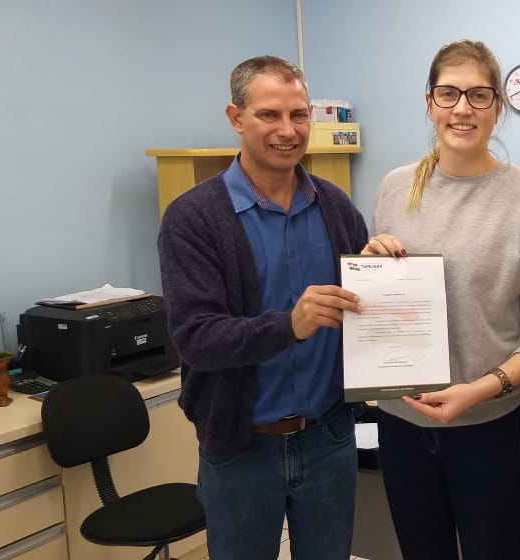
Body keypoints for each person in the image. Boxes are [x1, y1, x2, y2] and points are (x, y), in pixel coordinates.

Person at [362, 40, 520, 560]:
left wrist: (484, 389)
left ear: (497, 106)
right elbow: (384, 303)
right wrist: (371, 270)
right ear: (429, 102)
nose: (462, 108)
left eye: (479, 95)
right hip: (401, 428)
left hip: (489, 430)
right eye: (448, 93)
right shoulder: (395, 188)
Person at [157, 55, 369, 560]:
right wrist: (289, 325)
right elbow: (197, 338)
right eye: (269, 115)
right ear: (236, 118)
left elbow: (362, 309)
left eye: (298, 115)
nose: (287, 131)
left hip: (329, 438)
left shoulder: (336, 206)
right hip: (241, 447)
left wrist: (383, 269)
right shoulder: (193, 218)